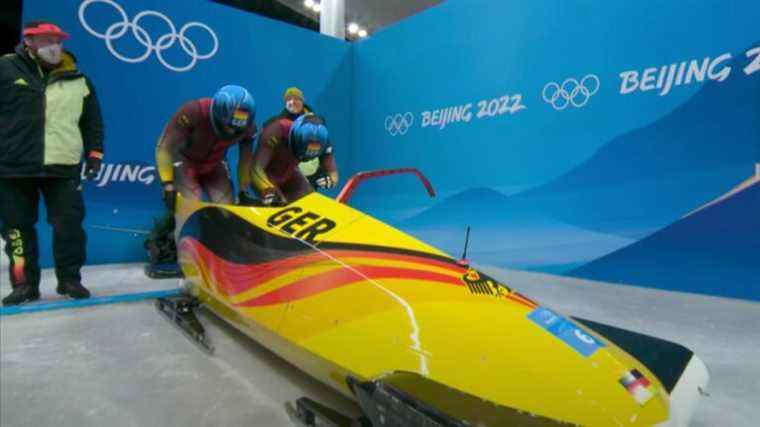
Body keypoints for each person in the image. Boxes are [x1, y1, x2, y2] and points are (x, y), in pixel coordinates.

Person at [0, 21, 104, 306]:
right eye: (47, 41)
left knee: (69, 227)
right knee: (17, 232)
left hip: (63, 167)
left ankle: (70, 280)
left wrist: (95, 154)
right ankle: (23, 285)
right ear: (29, 42)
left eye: (58, 41)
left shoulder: (78, 79)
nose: (54, 47)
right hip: (13, 167)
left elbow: (92, 121)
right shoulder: (6, 68)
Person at [155, 85, 256, 210]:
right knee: (191, 208)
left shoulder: (248, 128)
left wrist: (243, 191)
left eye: (239, 124)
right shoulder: (194, 111)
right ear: (219, 114)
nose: (232, 131)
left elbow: (246, 161)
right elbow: (164, 147)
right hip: (185, 161)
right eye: (229, 126)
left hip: (216, 165)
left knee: (226, 212)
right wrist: (167, 184)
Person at [247, 113, 338, 205]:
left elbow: (333, 173)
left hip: (290, 173)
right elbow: (256, 170)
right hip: (265, 176)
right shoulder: (276, 131)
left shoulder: (323, 140)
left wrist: (330, 181)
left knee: (310, 200)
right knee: (278, 203)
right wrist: (267, 188)